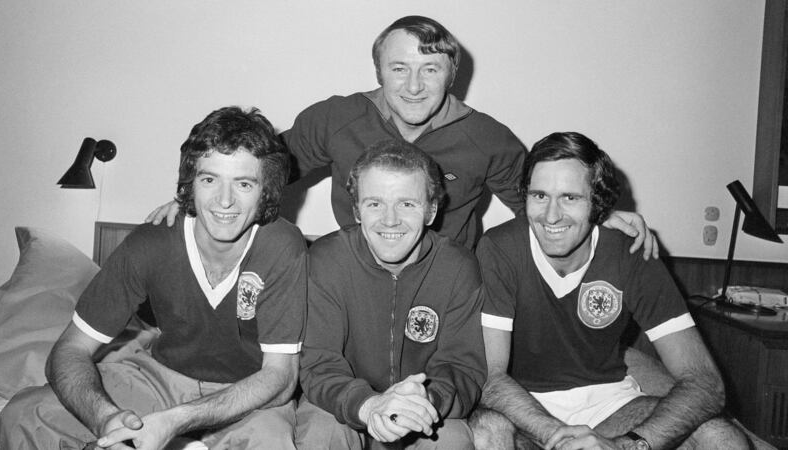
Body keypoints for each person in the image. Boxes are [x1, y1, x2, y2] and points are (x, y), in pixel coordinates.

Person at [146, 15, 657, 257]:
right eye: (399, 69)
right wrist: (187, 201)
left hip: (447, 280)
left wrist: (603, 211)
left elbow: (540, 201)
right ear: (378, 71)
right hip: (350, 275)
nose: (413, 87)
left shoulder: (486, 138)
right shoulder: (336, 118)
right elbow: (256, 168)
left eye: (430, 70)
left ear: (451, 74)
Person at [0, 106, 308, 449]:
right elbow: (69, 350)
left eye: (244, 183)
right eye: (209, 179)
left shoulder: (282, 246)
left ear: (266, 191)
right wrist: (106, 419)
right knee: (23, 414)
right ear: (191, 184)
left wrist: (176, 421)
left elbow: (280, 378)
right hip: (161, 377)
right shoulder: (151, 242)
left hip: (247, 395)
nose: (224, 201)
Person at [469, 132, 749, 449]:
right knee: (487, 432)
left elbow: (705, 383)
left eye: (570, 198)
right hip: (524, 407)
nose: (551, 215)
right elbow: (491, 379)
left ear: (597, 203)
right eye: (540, 196)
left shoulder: (631, 252)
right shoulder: (500, 248)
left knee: (723, 437)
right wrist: (557, 436)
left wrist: (625, 445)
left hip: (607, 403)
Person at [296, 140, 485, 449]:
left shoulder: (458, 267)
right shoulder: (326, 260)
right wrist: (369, 406)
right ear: (357, 210)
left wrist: (423, 401)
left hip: (422, 410)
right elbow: (319, 362)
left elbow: (463, 368)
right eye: (375, 204)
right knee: (322, 430)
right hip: (347, 405)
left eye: (407, 204)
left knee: (449, 440)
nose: (390, 220)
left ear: (431, 210)